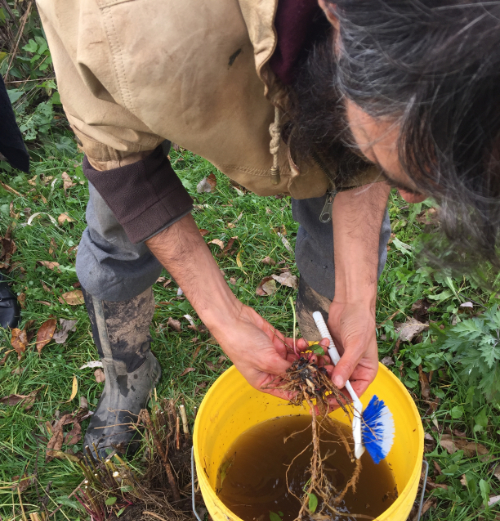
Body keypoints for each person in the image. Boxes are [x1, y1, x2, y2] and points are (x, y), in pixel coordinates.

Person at [27, 0, 499, 458]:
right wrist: (222, 317)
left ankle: (321, 359)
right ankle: (126, 377)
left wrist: (356, 297)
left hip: (329, 75)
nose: (414, 199)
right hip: (144, 67)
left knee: (351, 180)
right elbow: (119, 160)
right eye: (409, 173)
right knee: (118, 238)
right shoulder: (124, 22)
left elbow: (369, 160)